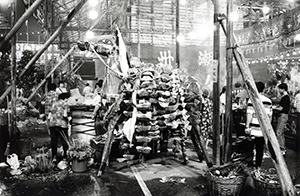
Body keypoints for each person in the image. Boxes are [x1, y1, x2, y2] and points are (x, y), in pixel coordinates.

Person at [245, 82, 272, 167]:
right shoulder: (268, 101)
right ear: (263, 89)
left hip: (253, 130)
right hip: (262, 130)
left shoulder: (251, 100)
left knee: (249, 149)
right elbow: (269, 116)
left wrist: (247, 126)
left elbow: (249, 114)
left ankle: (249, 166)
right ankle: (257, 166)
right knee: (260, 149)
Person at [47, 93, 71, 163]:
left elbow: (49, 115)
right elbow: (65, 115)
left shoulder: (53, 103)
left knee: (54, 141)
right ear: (65, 98)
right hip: (61, 125)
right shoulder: (65, 104)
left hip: (52, 124)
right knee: (64, 141)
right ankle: (65, 157)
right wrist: (69, 120)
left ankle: (54, 157)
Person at [274, 83, 290, 156]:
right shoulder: (285, 97)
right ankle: (282, 148)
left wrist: (274, 108)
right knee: (280, 132)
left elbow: (282, 108)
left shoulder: (285, 98)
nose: (279, 90)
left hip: (283, 115)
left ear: (283, 89)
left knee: (279, 132)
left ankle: (282, 148)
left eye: (280, 89)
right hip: (284, 115)